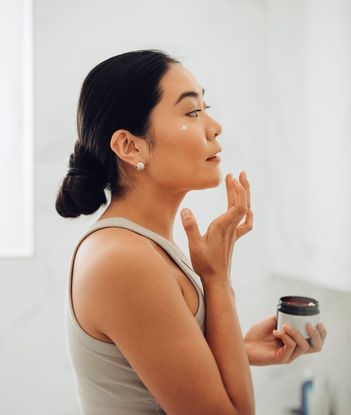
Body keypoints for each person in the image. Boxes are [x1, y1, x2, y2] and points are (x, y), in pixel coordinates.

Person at [55, 49, 327, 415]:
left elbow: (146, 367)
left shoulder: (135, 244)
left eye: (206, 107)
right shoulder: (125, 260)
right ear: (129, 146)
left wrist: (239, 349)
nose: (214, 127)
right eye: (192, 112)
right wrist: (215, 280)